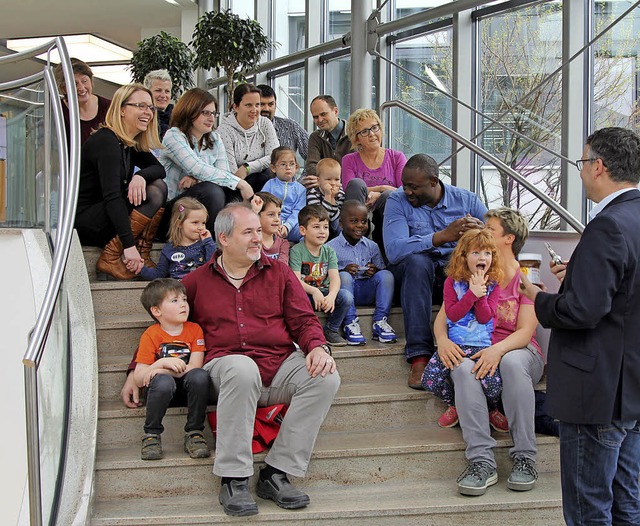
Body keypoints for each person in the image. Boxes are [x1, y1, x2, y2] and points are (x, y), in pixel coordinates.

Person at [182, 203, 340, 517]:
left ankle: (276, 473)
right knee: (242, 367)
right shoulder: (195, 282)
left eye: (259, 230)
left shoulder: (279, 272)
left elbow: (304, 320)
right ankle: (234, 478)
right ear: (224, 239)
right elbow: (169, 329)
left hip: (278, 364)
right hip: (226, 370)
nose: (259, 238)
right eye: (249, 232)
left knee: (326, 376)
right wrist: (142, 369)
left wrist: (318, 348)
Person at [520, 127, 640, 525]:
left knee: (589, 510)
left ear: (599, 166)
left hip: (597, 393)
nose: (581, 170)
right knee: (628, 505)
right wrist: (578, 274)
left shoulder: (607, 226)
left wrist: (538, 297)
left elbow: (583, 312)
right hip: (631, 390)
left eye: (582, 162)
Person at [435, 207, 543, 496]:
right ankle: (481, 462)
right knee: (462, 367)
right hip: (476, 350)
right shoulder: (470, 274)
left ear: (507, 239)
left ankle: (525, 458)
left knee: (509, 363)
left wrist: (496, 351)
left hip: (518, 350)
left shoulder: (525, 275)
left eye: (490, 230)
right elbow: (445, 318)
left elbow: (525, 332)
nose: (481, 234)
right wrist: (442, 341)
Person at [383, 153, 487, 388]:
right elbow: (393, 250)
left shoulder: (467, 201)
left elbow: (497, 240)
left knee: (478, 266)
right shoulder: (397, 201)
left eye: (413, 187)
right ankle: (420, 356)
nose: (407, 191)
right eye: (404, 185)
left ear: (433, 182)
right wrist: (441, 237)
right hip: (413, 278)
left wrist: (481, 233)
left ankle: (481, 350)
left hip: (453, 276)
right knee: (418, 262)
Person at [75, 83, 167, 280]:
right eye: (141, 106)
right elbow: (112, 198)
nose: (148, 112)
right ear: (122, 110)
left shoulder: (128, 143)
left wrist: (140, 176)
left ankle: (143, 252)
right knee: (154, 192)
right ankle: (112, 255)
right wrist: (128, 245)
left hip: (108, 215)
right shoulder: (106, 140)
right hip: (88, 222)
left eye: (150, 107)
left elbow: (160, 169)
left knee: (158, 185)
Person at [421, 228, 507, 433]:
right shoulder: (452, 282)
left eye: (487, 253)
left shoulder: (494, 285)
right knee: (429, 380)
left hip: (482, 349)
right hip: (456, 347)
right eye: (476, 252)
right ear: (464, 256)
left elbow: (485, 317)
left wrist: (481, 294)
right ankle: (456, 404)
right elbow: (453, 314)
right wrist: (471, 293)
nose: (482, 257)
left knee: (493, 386)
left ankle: (490, 409)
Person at [159, 88, 253, 237]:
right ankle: (213, 242)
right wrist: (241, 183)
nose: (211, 118)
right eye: (205, 113)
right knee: (212, 190)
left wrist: (197, 178)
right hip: (173, 213)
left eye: (214, 113)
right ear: (190, 111)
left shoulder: (215, 139)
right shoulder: (174, 136)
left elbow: (223, 174)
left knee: (231, 190)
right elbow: (196, 167)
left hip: (199, 209)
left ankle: (232, 236)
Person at [134, 278, 211, 461]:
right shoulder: (151, 335)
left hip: (188, 390)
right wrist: (159, 364)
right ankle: (151, 435)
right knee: (162, 381)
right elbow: (139, 378)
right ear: (156, 310)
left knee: (200, 376)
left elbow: (195, 366)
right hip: (160, 392)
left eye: (184, 299)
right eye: (174, 301)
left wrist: (165, 368)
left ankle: (194, 433)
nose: (183, 305)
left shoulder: (194, 329)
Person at [327, 200, 397, 345]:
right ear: (341, 223)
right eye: (354, 221)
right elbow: (325, 278)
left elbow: (381, 272)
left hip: (366, 291)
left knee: (386, 275)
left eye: (364, 221)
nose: (360, 225)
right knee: (344, 276)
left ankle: (380, 321)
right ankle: (350, 322)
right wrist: (343, 270)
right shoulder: (330, 247)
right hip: (345, 295)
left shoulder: (371, 246)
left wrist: (374, 270)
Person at [289, 204, 354, 347]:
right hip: (306, 294)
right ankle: (302, 332)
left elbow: (335, 278)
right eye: (316, 227)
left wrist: (331, 295)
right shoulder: (296, 251)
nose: (322, 231)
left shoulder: (329, 251)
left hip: (324, 294)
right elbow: (295, 279)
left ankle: (331, 330)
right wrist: (314, 291)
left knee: (346, 297)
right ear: (303, 230)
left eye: (325, 227)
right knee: (295, 299)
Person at [342, 108, 407, 247]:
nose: (372, 134)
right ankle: (355, 243)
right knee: (356, 184)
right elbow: (349, 188)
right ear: (357, 138)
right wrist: (382, 187)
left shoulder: (397, 157)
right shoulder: (349, 160)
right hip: (358, 208)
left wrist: (379, 194)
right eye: (365, 131)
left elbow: (404, 190)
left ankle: (384, 246)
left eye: (374, 128)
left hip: (385, 215)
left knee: (388, 195)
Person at [217, 83, 280, 193]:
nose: (254, 110)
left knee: (268, 174)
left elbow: (275, 156)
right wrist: (244, 172)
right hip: (234, 186)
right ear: (235, 107)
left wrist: (247, 167)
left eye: (257, 105)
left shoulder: (265, 123)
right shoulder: (224, 131)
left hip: (261, 178)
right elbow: (233, 174)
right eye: (248, 105)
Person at [138, 197, 215, 280]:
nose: (200, 227)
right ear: (179, 224)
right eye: (195, 222)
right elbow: (159, 274)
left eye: (203, 223)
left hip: (199, 286)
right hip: (178, 289)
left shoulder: (205, 245)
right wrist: (140, 268)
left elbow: (213, 266)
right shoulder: (169, 248)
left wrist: (209, 242)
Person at [53, 57, 111, 147]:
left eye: (84, 81)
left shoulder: (110, 107)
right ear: (64, 89)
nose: (81, 87)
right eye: (74, 84)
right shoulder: (57, 112)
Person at [303, 95, 352, 188]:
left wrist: (327, 181)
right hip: (323, 188)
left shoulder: (354, 134)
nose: (320, 120)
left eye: (323, 114)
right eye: (315, 117)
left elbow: (356, 169)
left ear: (336, 111)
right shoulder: (315, 137)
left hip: (348, 187)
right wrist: (329, 182)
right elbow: (312, 166)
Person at [261, 146, 306, 242]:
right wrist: (276, 222)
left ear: (297, 167)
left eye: (292, 164)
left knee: (307, 231)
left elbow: (298, 211)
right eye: (283, 164)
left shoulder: (301, 189)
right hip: (272, 222)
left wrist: (287, 226)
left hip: (292, 225)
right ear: (273, 168)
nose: (288, 167)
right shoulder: (270, 185)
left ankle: (299, 251)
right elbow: (262, 206)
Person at [257, 84, 309, 160]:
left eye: (270, 104)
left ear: (275, 105)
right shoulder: (244, 129)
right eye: (262, 104)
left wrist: (305, 172)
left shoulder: (291, 126)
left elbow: (312, 157)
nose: (266, 109)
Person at [306, 158, 346, 239]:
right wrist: (328, 196)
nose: (333, 183)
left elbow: (335, 218)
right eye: (328, 179)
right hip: (319, 225)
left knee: (341, 224)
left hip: (335, 226)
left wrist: (333, 198)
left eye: (337, 179)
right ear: (318, 180)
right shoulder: (313, 194)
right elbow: (320, 216)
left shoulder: (341, 193)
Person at [251, 192, 290, 263]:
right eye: (271, 215)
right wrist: (255, 212)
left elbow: (282, 268)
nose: (277, 219)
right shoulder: (253, 242)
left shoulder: (283, 244)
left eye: (279, 214)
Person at [143, 69, 173, 140]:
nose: (163, 95)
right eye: (158, 90)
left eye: (167, 91)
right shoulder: (141, 119)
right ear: (147, 92)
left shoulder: (179, 119)